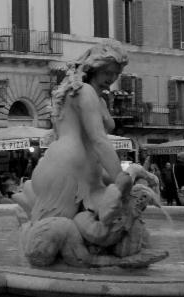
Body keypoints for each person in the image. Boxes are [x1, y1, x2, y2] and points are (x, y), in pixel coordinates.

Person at [24, 42, 128, 222]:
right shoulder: (84, 92)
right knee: (58, 229)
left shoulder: (98, 99)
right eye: (107, 72)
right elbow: (98, 140)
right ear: (94, 68)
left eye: (116, 74)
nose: (111, 78)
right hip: (68, 168)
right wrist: (120, 178)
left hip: (83, 169)